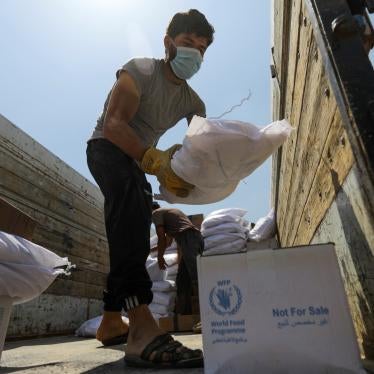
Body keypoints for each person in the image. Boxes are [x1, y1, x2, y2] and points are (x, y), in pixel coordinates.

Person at [86, 9, 214, 369]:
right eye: (188, 43)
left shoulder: (194, 102)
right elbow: (113, 125)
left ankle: (112, 321)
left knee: (135, 221)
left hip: (139, 161)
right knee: (129, 208)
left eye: (202, 49)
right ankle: (141, 329)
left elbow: (200, 146)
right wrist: (155, 162)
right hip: (107, 148)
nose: (195, 54)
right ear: (168, 43)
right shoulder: (140, 70)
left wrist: (183, 166)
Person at [151, 202, 204, 317]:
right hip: (192, 240)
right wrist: (151, 250)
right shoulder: (168, 214)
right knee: (182, 279)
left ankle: (204, 314)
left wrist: (160, 257)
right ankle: (185, 314)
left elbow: (161, 237)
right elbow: (168, 243)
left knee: (196, 277)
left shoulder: (156, 213)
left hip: (189, 240)